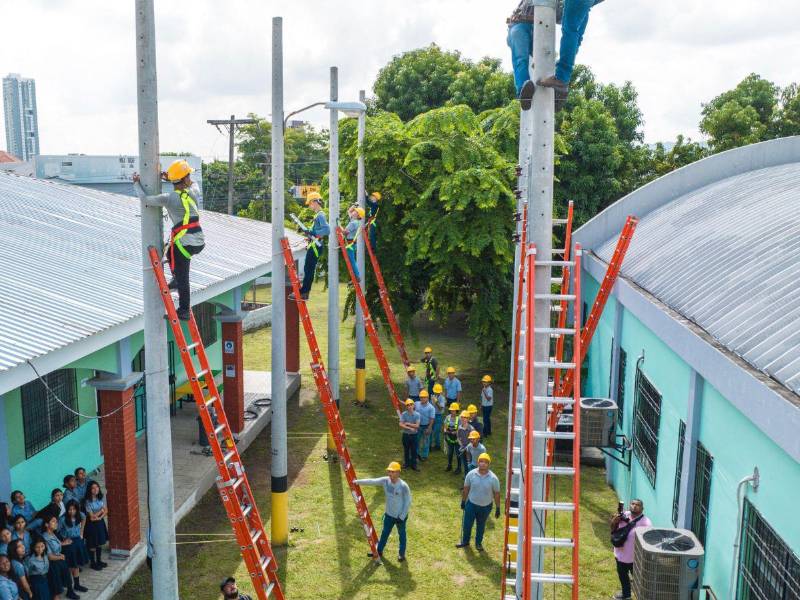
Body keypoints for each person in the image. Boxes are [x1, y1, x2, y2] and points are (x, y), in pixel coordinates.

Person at [133, 160, 205, 321]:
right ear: (185, 180)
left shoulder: (169, 198)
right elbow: (194, 183)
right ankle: (175, 280)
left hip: (185, 242)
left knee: (183, 276)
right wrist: (171, 178)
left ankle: (184, 310)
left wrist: (137, 184)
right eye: (188, 176)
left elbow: (145, 200)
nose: (190, 178)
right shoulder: (193, 192)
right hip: (197, 240)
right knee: (170, 253)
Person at [354, 462, 412, 563]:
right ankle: (379, 551)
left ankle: (401, 554)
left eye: (392, 472)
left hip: (400, 517)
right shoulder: (385, 481)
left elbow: (407, 502)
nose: (390, 474)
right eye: (389, 471)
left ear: (398, 472)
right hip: (389, 515)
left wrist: (402, 516)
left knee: (402, 534)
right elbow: (372, 481)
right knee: (384, 533)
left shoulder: (403, 486)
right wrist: (357, 481)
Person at [456, 453, 501, 551]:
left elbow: (497, 494)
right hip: (471, 504)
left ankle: (478, 543)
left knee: (481, 526)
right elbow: (466, 489)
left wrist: (498, 508)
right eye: (481, 461)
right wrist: (463, 501)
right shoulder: (471, 474)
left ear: (488, 464)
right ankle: (465, 541)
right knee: (467, 524)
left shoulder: (494, 478)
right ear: (478, 462)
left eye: (485, 462)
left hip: (485, 507)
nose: (483, 464)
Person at [290, 192, 330, 301]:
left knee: (308, 270)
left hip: (316, 246)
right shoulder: (318, 215)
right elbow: (317, 231)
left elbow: (327, 230)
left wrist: (313, 233)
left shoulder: (320, 215)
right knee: (308, 269)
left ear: (315, 202)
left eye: (310, 203)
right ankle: (304, 292)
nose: (309, 206)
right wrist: (309, 234)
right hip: (314, 244)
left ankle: (304, 292)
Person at [611, 499, 652, 600]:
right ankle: (626, 595)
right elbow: (613, 529)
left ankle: (644, 596)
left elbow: (648, 541)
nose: (634, 506)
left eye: (637, 505)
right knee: (623, 576)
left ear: (642, 509)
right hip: (620, 555)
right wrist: (614, 521)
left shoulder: (646, 523)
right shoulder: (624, 515)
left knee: (640, 580)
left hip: (635, 558)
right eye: (633, 504)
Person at [506, 0, 537, 109]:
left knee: (546, 59)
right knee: (521, 59)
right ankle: (523, 92)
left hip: (537, 28)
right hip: (519, 26)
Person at [42, 515, 79, 599]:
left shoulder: (52, 533)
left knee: (67, 574)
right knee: (57, 584)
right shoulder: (45, 537)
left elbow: (56, 545)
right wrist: (61, 557)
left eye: (56, 521)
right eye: (53, 521)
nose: (56, 523)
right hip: (53, 563)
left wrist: (63, 543)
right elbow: (50, 556)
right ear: (46, 524)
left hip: (58, 558)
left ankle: (70, 592)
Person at [59, 501, 89, 593]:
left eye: (74, 509)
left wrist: (81, 532)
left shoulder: (80, 515)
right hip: (68, 544)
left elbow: (84, 518)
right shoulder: (63, 519)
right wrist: (61, 541)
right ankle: (69, 589)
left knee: (76, 566)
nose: (72, 511)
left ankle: (77, 585)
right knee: (69, 567)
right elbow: (56, 530)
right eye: (70, 509)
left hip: (77, 542)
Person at [82, 482, 108, 571]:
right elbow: (92, 517)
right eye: (93, 488)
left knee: (99, 542)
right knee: (92, 544)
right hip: (91, 525)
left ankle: (99, 560)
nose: (96, 489)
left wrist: (100, 516)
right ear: (90, 490)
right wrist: (101, 511)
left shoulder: (100, 498)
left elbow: (106, 510)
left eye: (97, 487)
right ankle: (93, 563)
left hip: (100, 523)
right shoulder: (87, 501)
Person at [343, 205, 365, 280]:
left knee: (352, 260)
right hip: (352, 243)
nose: (353, 211)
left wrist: (339, 228)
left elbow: (345, 232)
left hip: (350, 244)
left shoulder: (354, 223)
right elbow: (349, 211)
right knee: (351, 260)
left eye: (355, 211)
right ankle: (357, 276)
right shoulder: (354, 220)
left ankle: (357, 276)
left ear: (357, 214)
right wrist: (354, 205)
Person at [399, 399, 421, 471]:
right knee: (406, 450)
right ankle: (406, 464)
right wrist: (410, 428)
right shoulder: (404, 414)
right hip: (406, 435)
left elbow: (417, 426)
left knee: (414, 450)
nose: (410, 406)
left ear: (413, 405)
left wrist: (408, 423)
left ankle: (414, 465)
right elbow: (401, 424)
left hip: (414, 436)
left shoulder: (417, 414)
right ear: (406, 407)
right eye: (408, 405)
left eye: (411, 404)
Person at [414, 391, 436, 461]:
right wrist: (399, 401)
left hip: (426, 426)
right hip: (418, 426)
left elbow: (432, 419)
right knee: (416, 440)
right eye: (421, 397)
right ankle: (416, 454)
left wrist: (429, 428)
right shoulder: (416, 404)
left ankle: (424, 455)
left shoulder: (431, 408)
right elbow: (409, 405)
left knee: (426, 441)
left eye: (424, 397)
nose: (422, 399)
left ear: (427, 398)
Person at [443, 403, 461, 472]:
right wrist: (445, 430)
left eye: (454, 410)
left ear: (456, 411)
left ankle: (459, 467)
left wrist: (455, 432)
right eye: (451, 410)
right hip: (449, 438)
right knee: (450, 453)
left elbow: (460, 429)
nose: (452, 412)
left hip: (457, 438)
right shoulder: (448, 417)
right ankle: (449, 465)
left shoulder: (459, 418)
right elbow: (445, 426)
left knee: (458, 453)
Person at [455, 411, 474, 476]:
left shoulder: (471, 429)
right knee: (465, 465)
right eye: (462, 417)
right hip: (463, 449)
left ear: (468, 419)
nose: (463, 419)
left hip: (470, 450)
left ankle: (470, 479)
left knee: (470, 465)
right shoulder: (459, 428)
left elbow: (473, 440)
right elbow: (458, 437)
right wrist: (461, 444)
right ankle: (466, 478)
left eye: (465, 417)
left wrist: (467, 447)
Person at [431, 383, 446, 451]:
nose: (436, 393)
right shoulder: (432, 396)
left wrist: (436, 402)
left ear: (440, 392)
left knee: (436, 432)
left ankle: (438, 446)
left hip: (438, 416)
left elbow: (440, 408)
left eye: (437, 392)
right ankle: (430, 446)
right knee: (431, 431)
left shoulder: (442, 398)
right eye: (435, 392)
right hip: (432, 416)